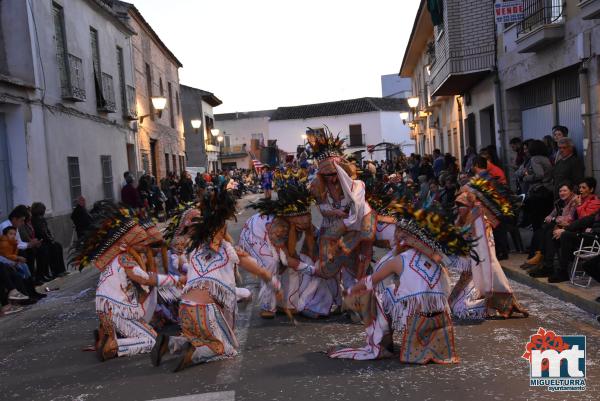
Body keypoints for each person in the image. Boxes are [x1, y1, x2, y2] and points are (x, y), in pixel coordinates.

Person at [150, 188, 282, 371]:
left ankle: (172, 342)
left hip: (185, 310)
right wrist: (273, 282)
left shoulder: (195, 250)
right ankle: (195, 352)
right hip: (205, 312)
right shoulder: (228, 251)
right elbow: (260, 270)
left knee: (202, 335)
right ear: (223, 223)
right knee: (225, 349)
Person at [328, 201, 475, 363]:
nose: (395, 235)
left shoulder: (399, 260)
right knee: (394, 290)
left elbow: (370, 281)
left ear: (403, 237)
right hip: (441, 317)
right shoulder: (436, 260)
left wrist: (349, 292)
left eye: (398, 231)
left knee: (367, 294)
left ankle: (382, 345)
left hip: (416, 317)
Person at [70, 202, 182, 361]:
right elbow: (145, 279)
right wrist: (177, 280)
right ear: (126, 244)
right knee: (150, 340)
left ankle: (110, 338)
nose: (145, 245)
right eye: (141, 242)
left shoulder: (120, 258)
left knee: (152, 334)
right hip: (116, 312)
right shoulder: (124, 258)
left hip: (112, 311)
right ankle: (114, 346)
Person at [450, 177, 529, 319]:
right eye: (456, 204)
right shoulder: (460, 221)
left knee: (460, 308)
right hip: (468, 275)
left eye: (461, 205)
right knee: (452, 304)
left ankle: (495, 305)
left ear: (469, 206)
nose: (457, 208)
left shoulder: (482, 223)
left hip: (478, 273)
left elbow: (487, 254)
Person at [239, 183, 319, 318]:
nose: (303, 225)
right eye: (297, 225)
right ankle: (268, 306)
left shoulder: (303, 220)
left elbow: (312, 241)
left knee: (291, 266)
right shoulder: (279, 226)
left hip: (274, 238)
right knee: (270, 263)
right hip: (255, 236)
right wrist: (312, 270)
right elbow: (287, 258)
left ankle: (288, 304)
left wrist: (313, 260)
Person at [527, 182, 577, 273]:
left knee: (548, 230)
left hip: (569, 228)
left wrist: (553, 219)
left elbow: (569, 219)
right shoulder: (559, 202)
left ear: (571, 191)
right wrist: (550, 217)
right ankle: (540, 258)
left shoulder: (575, 201)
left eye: (565, 190)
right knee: (540, 231)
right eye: (560, 191)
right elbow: (550, 215)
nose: (562, 193)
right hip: (559, 226)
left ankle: (544, 260)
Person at [30, 202, 67, 278]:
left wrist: (51, 238)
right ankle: (55, 271)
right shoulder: (34, 220)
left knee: (58, 246)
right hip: (41, 241)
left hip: (46, 240)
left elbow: (47, 230)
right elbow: (40, 232)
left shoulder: (42, 219)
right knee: (52, 248)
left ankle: (61, 269)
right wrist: (49, 240)